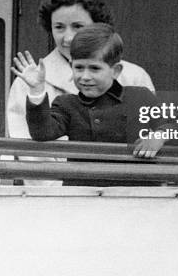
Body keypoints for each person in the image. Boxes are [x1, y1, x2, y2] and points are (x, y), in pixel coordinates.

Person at [12, 24, 167, 185]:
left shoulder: (140, 97)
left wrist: (159, 136)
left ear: (116, 70)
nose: (85, 76)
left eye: (94, 68)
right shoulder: (66, 104)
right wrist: (37, 90)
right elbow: (42, 133)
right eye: (79, 68)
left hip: (138, 197)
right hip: (82, 197)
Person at [7, 0, 154, 140]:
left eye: (78, 26)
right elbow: (24, 141)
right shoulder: (28, 82)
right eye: (59, 27)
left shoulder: (135, 77)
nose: (68, 38)